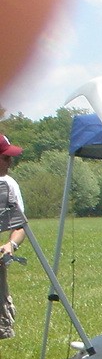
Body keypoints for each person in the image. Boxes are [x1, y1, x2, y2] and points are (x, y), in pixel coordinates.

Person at [0, 136, 27, 341]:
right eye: (5, 157)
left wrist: (11, 244)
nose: (10, 162)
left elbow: (20, 225)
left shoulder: (9, 185)